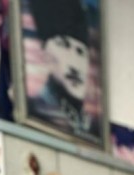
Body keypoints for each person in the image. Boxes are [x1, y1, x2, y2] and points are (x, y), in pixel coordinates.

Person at [27, 0, 93, 136]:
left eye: (80, 51)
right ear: (44, 53)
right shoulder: (36, 111)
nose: (74, 64)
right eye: (63, 45)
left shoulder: (91, 125)